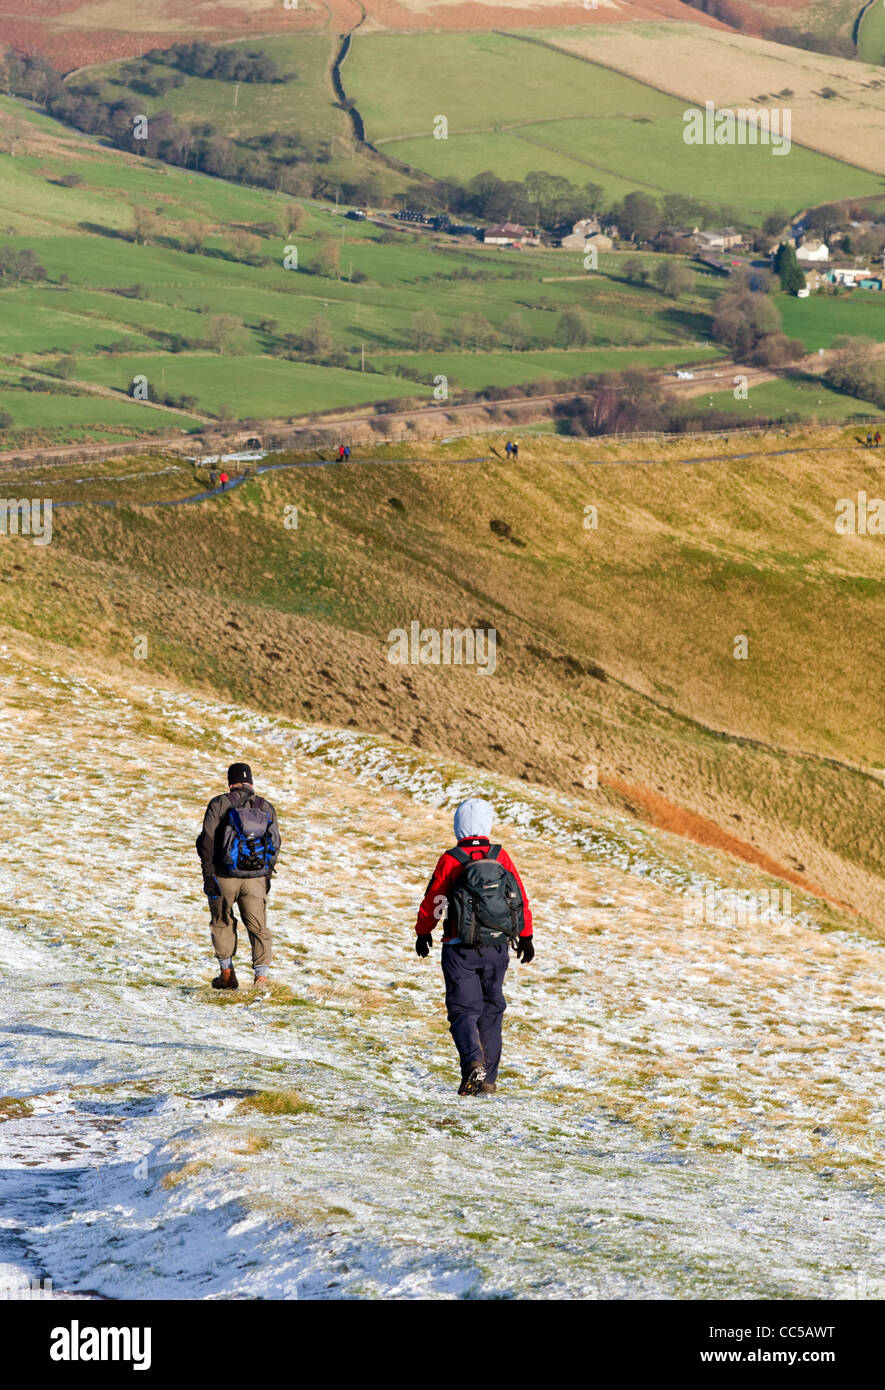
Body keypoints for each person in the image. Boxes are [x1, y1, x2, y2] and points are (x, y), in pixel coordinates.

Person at [414, 797, 534, 1096]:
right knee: (491, 1011)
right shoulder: (500, 855)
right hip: (497, 948)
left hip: (459, 947)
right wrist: (526, 935)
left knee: (463, 1011)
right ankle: (487, 1081)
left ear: (458, 826)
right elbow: (518, 896)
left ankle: (473, 1065)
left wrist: (423, 931)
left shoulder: (451, 858)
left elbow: (435, 900)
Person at [196, 762, 281, 992]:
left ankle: (226, 974)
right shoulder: (266, 807)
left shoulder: (219, 803)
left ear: (230, 782)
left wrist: (208, 874)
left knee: (222, 921)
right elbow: (275, 843)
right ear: (251, 782)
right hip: (255, 879)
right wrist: (265, 877)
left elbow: (207, 841)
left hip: (223, 876)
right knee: (259, 928)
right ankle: (261, 980)